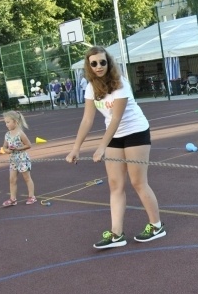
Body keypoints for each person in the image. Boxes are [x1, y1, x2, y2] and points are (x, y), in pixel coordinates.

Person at [66, 46, 165, 249]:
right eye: (94, 63)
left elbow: (117, 118)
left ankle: (156, 226)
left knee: (138, 182)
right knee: (115, 184)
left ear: (108, 63)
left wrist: (101, 147)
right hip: (114, 136)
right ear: (89, 66)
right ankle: (116, 234)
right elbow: (87, 119)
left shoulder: (120, 83)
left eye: (102, 62)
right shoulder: (91, 87)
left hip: (135, 132)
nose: (99, 66)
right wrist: (75, 148)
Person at [1, 110, 36, 206]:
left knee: (27, 178)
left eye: (8, 122)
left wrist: (18, 148)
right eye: (5, 122)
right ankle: (12, 199)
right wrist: (7, 150)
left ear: (15, 122)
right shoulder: (7, 135)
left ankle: (32, 196)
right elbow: (4, 147)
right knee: (12, 180)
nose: (6, 124)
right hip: (13, 160)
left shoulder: (20, 133)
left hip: (22, 158)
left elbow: (29, 145)